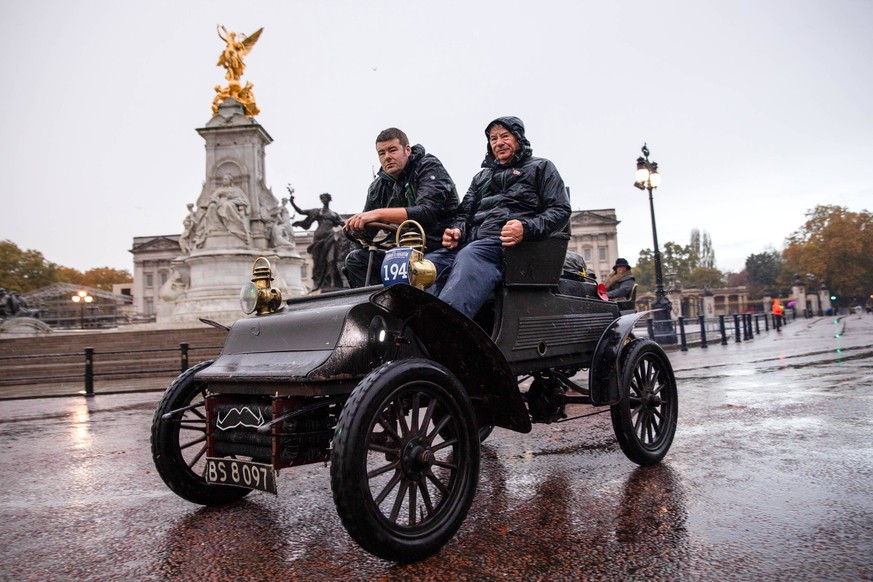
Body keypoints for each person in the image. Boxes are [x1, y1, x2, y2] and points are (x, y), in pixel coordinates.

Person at [430, 116, 571, 319]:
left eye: (505, 136)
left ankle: (446, 324)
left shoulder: (541, 167)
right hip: (474, 243)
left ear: (519, 138)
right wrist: (457, 229)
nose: (499, 142)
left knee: (471, 255)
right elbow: (463, 214)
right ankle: (419, 323)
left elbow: (561, 210)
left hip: (511, 247)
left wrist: (525, 227)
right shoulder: (480, 178)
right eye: (493, 138)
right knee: (430, 264)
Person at [344, 128, 459, 287]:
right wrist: (356, 230)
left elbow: (427, 212)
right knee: (355, 260)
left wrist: (379, 214)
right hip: (400, 255)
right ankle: (376, 309)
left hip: (441, 249)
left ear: (407, 150)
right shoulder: (378, 187)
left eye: (392, 150)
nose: (387, 157)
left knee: (418, 270)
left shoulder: (428, 167)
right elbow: (366, 232)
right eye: (381, 153)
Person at [292, 193, 347, 290]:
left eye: (326, 198)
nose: (324, 200)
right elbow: (301, 211)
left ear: (329, 200)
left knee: (332, 259)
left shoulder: (334, 214)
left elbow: (343, 224)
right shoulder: (317, 211)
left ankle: (333, 282)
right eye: (323, 198)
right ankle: (318, 282)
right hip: (319, 238)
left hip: (330, 237)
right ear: (321, 200)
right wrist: (292, 202)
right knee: (318, 261)